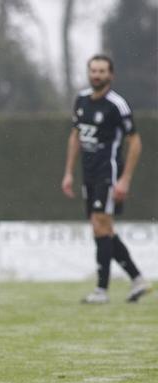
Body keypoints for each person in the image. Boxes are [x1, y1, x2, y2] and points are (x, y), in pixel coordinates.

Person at [62, 54, 151, 304]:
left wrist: (125, 180)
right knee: (101, 228)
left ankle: (102, 290)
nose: (97, 75)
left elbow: (135, 143)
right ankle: (137, 279)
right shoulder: (80, 100)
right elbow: (75, 136)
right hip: (88, 174)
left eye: (102, 71)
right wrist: (69, 172)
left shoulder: (117, 105)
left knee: (101, 225)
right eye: (93, 70)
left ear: (111, 75)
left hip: (108, 173)